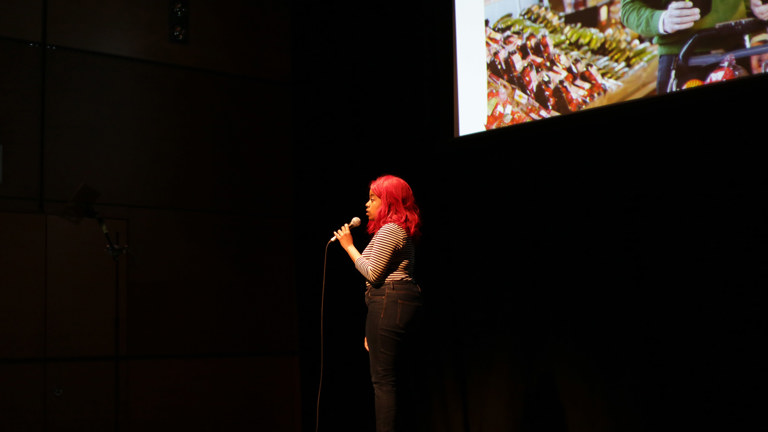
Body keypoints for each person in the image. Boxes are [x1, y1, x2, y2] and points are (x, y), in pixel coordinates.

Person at [333, 174, 423, 432]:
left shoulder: (391, 229)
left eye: (373, 199)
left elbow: (373, 273)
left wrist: (349, 247)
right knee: (391, 379)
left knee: (383, 382)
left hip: (390, 302)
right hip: (389, 305)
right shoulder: (393, 230)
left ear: (389, 202)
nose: (367, 204)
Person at [620, 0, 768, 92]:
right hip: (682, 60)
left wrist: (760, 33)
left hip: (737, 53)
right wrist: (662, 20)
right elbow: (628, 8)